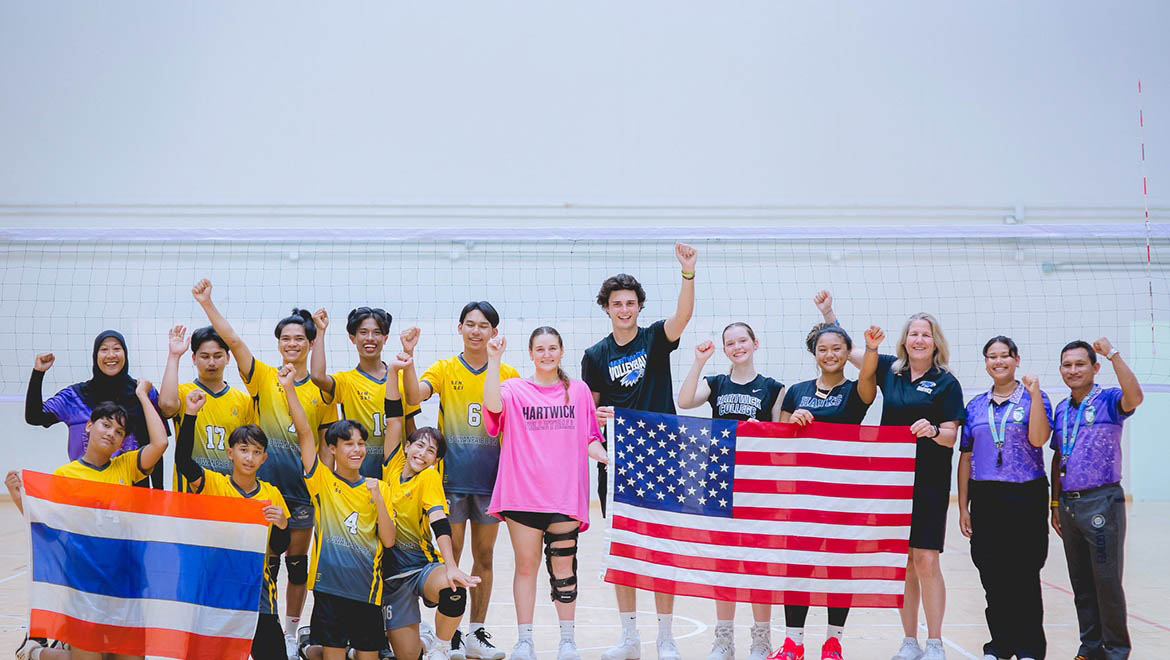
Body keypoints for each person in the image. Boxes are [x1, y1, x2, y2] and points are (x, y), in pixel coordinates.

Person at [815, 292, 964, 660]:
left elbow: (950, 437)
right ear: (904, 340)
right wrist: (829, 314)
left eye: (925, 334)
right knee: (906, 561)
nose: (918, 339)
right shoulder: (889, 369)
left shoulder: (946, 382)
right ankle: (910, 640)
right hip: (892, 480)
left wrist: (931, 431)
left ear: (935, 342)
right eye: (913, 333)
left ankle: (936, 642)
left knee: (927, 558)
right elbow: (848, 351)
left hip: (929, 480)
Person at [193, 278, 338, 657]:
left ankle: (290, 635)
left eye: (299, 338)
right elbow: (236, 342)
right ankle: (254, 629)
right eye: (285, 338)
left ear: (308, 343)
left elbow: (322, 443)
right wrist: (207, 303)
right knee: (265, 564)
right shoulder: (262, 376)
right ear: (279, 343)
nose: (292, 344)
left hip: (303, 491)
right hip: (263, 489)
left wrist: (323, 488)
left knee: (297, 564)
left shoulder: (322, 390)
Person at [581, 242, 697, 660]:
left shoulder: (655, 339)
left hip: (664, 454)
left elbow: (683, 317)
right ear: (606, 308)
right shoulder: (595, 355)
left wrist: (688, 272)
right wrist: (600, 416)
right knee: (625, 549)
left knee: (662, 547)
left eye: (630, 303)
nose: (624, 309)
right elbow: (588, 413)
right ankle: (630, 637)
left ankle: (665, 637)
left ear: (638, 307)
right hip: (619, 461)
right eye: (617, 303)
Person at [11, 380, 169, 660]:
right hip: (84, 584)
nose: (111, 433)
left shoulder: (126, 467)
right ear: (88, 426)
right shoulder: (66, 475)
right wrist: (18, 497)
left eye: (119, 432)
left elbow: (160, 443)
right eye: (105, 425)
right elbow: (48, 528)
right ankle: (36, 653)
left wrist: (144, 397)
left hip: (125, 582)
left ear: (123, 442)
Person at [399, 301, 519, 660]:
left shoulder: (508, 372)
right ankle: (446, 636)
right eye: (470, 324)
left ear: (494, 333)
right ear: (459, 328)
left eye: (484, 325)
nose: (476, 331)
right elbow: (413, 394)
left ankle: (475, 633)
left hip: (489, 482)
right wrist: (408, 356)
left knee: (485, 555)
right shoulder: (445, 368)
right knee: (450, 554)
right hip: (449, 482)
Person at [483, 328, 609, 660]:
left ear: (561, 351)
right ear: (530, 353)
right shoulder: (513, 389)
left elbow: (590, 439)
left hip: (564, 497)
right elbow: (492, 409)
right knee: (526, 567)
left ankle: (567, 641)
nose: (546, 354)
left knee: (564, 570)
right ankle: (525, 641)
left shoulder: (578, 391)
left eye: (552, 348)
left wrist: (609, 456)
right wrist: (493, 359)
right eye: (540, 349)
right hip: (522, 495)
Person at [773, 323, 882, 660]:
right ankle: (793, 642)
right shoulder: (797, 391)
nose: (830, 354)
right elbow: (779, 443)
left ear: (847, 352)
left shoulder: (856, 390)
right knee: (798, 566)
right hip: (803, 493)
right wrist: (792, 424)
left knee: (838, 567)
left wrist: (871, 348)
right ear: (814, 354)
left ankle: (833, 642)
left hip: (845, 492)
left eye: (837, 348)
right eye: (823, 349)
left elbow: (868, 377)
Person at [676, 323, 783, 660]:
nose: (737, 347)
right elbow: (684, 400)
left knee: (758, 564)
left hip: (759, 484)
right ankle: (724, 639)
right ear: (724, 349)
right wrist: (698, 362)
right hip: (720, 481)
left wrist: (762, 431)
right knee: (724, 563)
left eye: (742, 341)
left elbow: (781, 439)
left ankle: (761, 639)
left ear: (755, 343)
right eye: (730, 343)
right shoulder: (717, 384)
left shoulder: (773, 388)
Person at [281, 365, 396, 660]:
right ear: (332, 448)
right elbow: (305, 433)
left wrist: (378, 498)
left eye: (361, 444)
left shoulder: (378, 487)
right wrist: (290, 389)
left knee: (367, 655)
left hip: (367, 593)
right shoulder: (322, 482)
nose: (356, 450)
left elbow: (389, 539)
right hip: (329, 589)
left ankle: (309, 647)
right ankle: (311, 645)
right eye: (348, 444)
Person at [174, 388, 290, 660]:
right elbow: (182, 461)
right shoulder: (214, 484)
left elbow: (279, 547)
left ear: (264, 458)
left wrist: (284, 525)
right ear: (230, 453)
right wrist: (190, 415)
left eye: (256, 452)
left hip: (257, 593)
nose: (249, 457)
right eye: (243, 450)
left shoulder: (271, 493)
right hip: (217, 590)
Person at [956, 336, 1051, 660]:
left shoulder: (1035, 398)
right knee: (992, 574)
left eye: (1004, 356)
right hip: (986, 496)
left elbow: (1038, 438)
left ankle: (1029, 648)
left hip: (1026, 493)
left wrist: (1035, 393)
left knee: (1024, 573)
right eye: (992, 357)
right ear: (985, 363)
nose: (999, 362)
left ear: (1016, 359)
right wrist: (963, 506)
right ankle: (1000, 646)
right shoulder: (975, 406)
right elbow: (966, 457)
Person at [379, 359, 480, 660]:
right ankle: (420, 638)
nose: (422, 454)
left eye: (431, 451)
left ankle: (441, 646)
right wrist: (394, 372)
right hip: (390, 576)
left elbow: (440, 522)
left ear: (436, 461)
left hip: (421, 567)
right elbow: (394, 417)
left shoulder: (429, 478)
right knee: (408, 656)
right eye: (419, 446)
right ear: (407, 447)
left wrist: (450, 566)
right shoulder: (392, 465)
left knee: (454, 590)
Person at [1051, 338, 1143, 660]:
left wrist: (1114, 352)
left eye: (1080, 364)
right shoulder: (1062, 409)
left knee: (1107, 584)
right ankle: (1090, 649)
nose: (1073, 370)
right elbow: (1057, 457)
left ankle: (1116, 651)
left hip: (1103, 501)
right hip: (1069, 504)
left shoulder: (1109, 400)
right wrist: (1055, 503)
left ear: (1094, 367)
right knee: (1082, 584)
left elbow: (1136, 397)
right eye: (1067, 365)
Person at [25, 330, 168, 489]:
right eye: (104, 349)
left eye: (117, 349)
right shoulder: (75, 396)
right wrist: (38, 373)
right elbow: (34, 416)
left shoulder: (143, 392)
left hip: (132, 492)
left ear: (125, 354)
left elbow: (156, 447)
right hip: (85, 488)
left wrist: (158, 494)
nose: (111, 355)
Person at [308, 307, 421, 478]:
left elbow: (410, 428)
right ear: (352, 338)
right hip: (358, 477)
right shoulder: (346, 381)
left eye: (376, 333)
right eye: (363, 332)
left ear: (385, 338)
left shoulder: (401, 379)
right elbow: (317, 376)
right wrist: (320, 331)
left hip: (395, 476)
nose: (370, 338)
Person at [159, 324, 256, 491]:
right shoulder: (184, 393)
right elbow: (166, 406)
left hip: (228, 492)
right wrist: (174, 355)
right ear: (194, 359)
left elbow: (250, 450)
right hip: (189, 493)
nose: (211, 362)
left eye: (217, 356)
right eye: (205, 356)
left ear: (227, 358)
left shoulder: (243, 401)